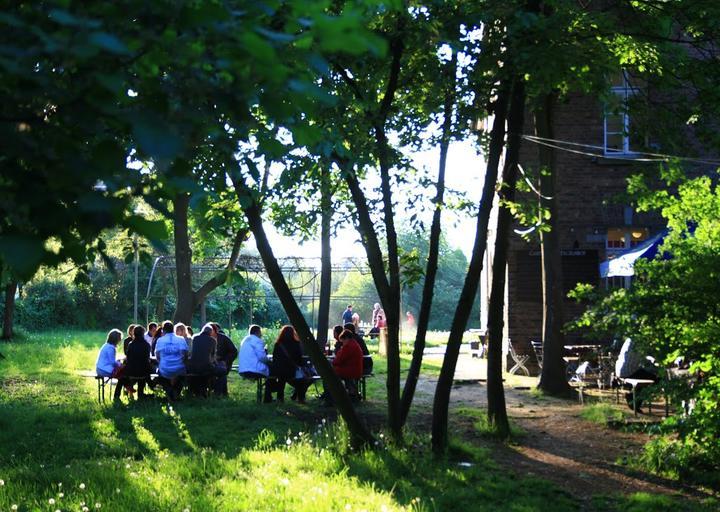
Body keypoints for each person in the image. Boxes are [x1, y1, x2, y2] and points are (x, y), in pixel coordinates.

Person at [268, 325, 311, 403]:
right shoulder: (296, 344)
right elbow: (299, 359)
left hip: (279, 370)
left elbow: (275, 358)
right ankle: (301, 398)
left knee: (281, 380)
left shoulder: (278, 344)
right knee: (301, 380)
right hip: (292, 370)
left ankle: (280, 398)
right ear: (293, 333)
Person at [187, 323, 226, 396]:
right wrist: (217, 364)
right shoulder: (213, 340)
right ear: (211, 332)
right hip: (206, 367)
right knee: (223, 371)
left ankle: (195, 391)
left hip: (193, 367)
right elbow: (213, 357)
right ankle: (218, 392)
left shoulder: (194, 338)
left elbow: (190, 353)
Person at [95, 328, 132, 401]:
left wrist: (119, 363)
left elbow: (111, 360)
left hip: (100, 368)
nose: (120, 340)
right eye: (119, 339)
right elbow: (112, 362)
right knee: (123, 375)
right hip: (104, 369)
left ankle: (126, 389)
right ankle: (125, 391)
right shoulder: (111, 348)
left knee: (123, 375)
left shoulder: (106, 345)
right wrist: (121, 365)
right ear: (116, 339)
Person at [155, 321, 188, 400]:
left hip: (164, 369)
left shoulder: (160, 340)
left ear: (163, 330)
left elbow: (157, 356)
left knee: (159, 374)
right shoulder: (181, 339)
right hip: (179, 368)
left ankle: (169, 390)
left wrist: (163, 363)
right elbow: (186, 354)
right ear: (173, 329)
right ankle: (176, 391)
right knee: (183, 374)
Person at [332, 329, 364, 400]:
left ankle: (331, 396)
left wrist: (333, 361)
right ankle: (349, 393)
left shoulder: (349, 346)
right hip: (355, 369)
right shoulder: (354, 344)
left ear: (346, 338)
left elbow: (338, 360)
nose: (343, 343)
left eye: (343, 341)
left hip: (350, 370)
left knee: (329, 373)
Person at [124, 325, 153, 399]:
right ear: (143, 334)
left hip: (131, 371)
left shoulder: (131, 344)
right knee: (145, 372)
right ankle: (142, 393)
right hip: (144, 371)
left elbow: (128, 358)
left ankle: (130, 389)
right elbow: (148, 358)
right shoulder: (146, 345)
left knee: (137, 371)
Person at [210, 322, 238, 396]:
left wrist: (226, 361)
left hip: (223, 361)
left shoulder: (224, 338)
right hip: (210, 362)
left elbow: (234, 351)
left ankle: (220, 393)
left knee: (221, 371)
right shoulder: (207, 339)